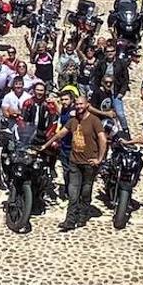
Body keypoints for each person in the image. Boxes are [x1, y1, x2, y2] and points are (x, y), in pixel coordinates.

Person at [43, 95, 106, 232]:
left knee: (86, 190)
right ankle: (70, 220)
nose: (78, 107)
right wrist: (45, 145)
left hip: (89, 163)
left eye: (81, 104)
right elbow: (60, 134)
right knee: (73, 192)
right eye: (77, 104)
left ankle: (82, 216)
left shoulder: (94, 121)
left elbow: (103, 139)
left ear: (87, 105)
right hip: (74, 162)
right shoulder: (73, 121)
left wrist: (99, 159)